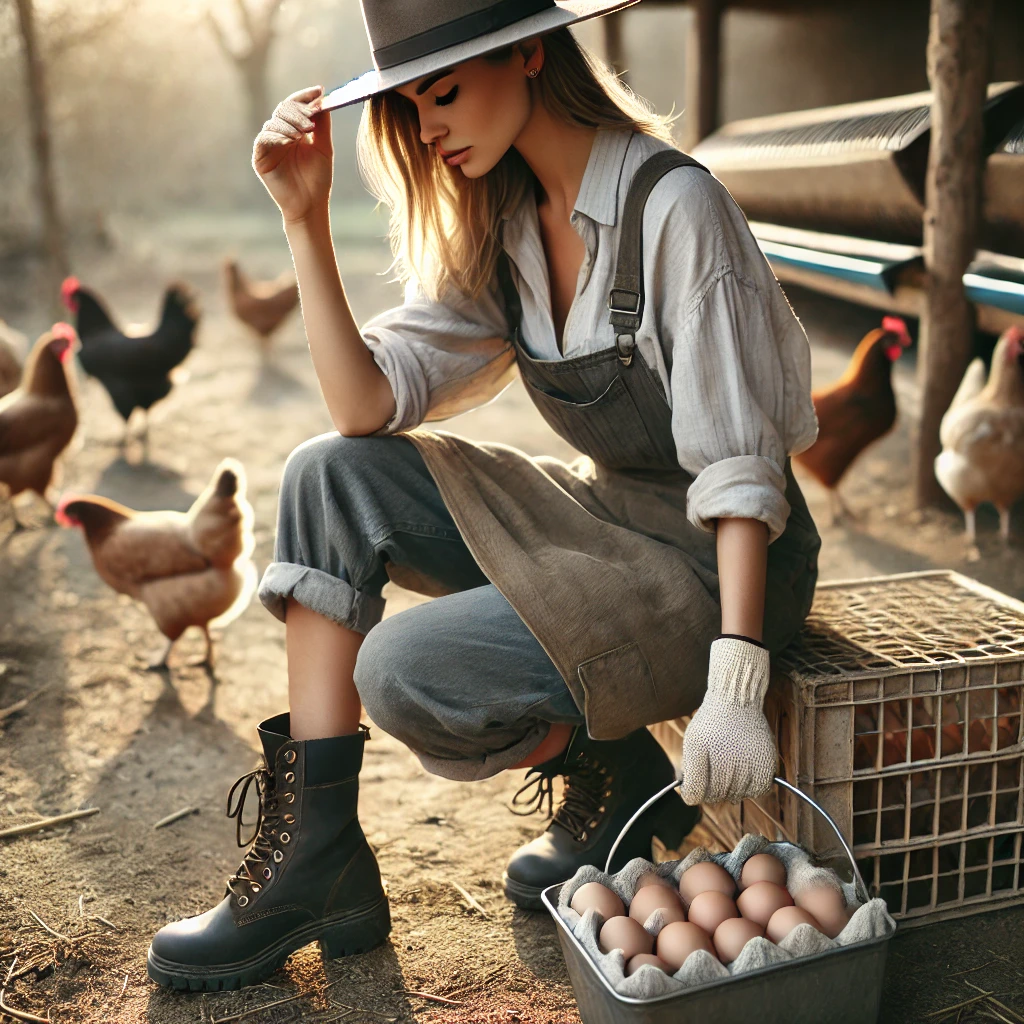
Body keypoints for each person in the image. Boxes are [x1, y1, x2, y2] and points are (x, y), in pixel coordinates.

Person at [147, 0, 821, 992]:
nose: (429, 130)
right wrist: (303, 220)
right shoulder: (504, 223)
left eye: (445, 93)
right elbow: (362, 404)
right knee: (326, 472)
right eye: (412, 106)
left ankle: (616, 765)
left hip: (719, 567)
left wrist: (733, 681)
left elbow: (736, 467)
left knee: (406, 669)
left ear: (528, 51)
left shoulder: (677, 209)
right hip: (609, 524)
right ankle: (318, 863)